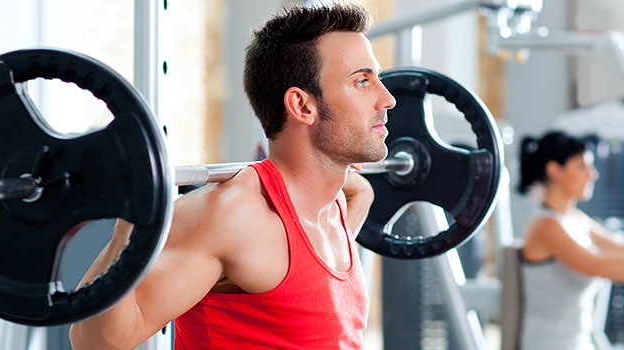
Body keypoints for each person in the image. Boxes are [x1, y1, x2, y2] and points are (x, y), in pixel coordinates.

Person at [69, 4, 395, 349]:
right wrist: (128, 226)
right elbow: (94, 342)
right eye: (362, 81)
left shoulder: (336, 207)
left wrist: (341, 181)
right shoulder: (232, 216)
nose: (386, 99)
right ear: (302, 106)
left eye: (377, 78)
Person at [516, 131, 624, 350]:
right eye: (582, 167)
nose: (593, 174)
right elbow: (599, 265)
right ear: (554, 170)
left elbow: (622, 245)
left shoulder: (573, 218)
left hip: (580, 343)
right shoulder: (545, 226)